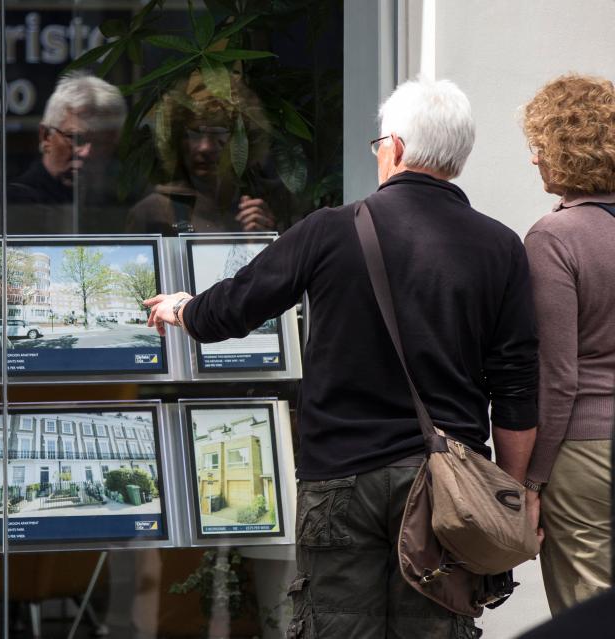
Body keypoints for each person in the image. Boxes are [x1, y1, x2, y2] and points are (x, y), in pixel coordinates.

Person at [144, 78, 539, 637]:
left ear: (395, 147)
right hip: (446, 489)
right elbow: (517, 385)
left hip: (341, 480)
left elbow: (231, 310)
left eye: (380, 144)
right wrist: (513, 492)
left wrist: (185, 308)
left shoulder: (331, 230)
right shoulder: (500, 247)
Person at [521, 73, 615, 615]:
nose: (535, 161)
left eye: (540, 147)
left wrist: (531, 481)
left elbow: (557, 379)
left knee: (591, 607)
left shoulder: (555, 237)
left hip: (586, 452)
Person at [126, 72, 287, 235]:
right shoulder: (154, 213)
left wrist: (264, 241)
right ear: (176, 139)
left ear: (244, 141)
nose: (205, 147)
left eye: (220, 132)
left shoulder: (267, 205)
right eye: (194, 133)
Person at [0, 71, 128, 234]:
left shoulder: (116, 207)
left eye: (102, 143)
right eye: (75, 138)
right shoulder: (5, 205)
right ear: (46, 136)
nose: (86, 152)